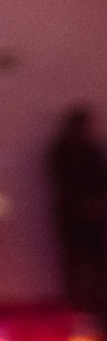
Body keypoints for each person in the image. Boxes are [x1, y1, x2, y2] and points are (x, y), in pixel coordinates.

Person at [46, 104, 107, 314]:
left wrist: (94, 202)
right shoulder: (62, 152)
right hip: (72, 212)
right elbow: (61, 182)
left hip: (87, 211)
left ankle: (94, 297)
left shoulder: (88, 150)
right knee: (76, 258)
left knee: (93, 258)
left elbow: (101, 179)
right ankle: (77, 299)